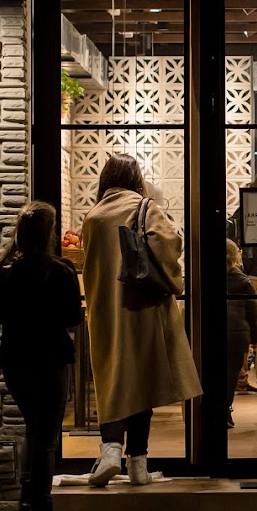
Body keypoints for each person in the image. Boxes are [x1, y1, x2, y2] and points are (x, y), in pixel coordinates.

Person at [80, 153, 202, 488]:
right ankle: (137, 466)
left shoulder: (92, 216)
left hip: (105, 311)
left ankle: (109, 452)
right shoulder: (144, 207)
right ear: (136, 178)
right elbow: (168, 245)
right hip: (143, 308)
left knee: (112, 378)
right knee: (142, 382)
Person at [0, 200, 83, 511]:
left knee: (33, 432)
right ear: (49, 232)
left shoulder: (4, 271)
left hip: (15, 360)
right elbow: (74, 317)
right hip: (51, 360)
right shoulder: (60, 271)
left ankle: (26, 509)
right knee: (45, 440)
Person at [222, 238, 257, 428]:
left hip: (214, 332)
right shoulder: (243, 281)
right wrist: (255, 338)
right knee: (230, 375)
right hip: (237, 335)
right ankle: (225, 411)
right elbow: (253, 313)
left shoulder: (205, 277)